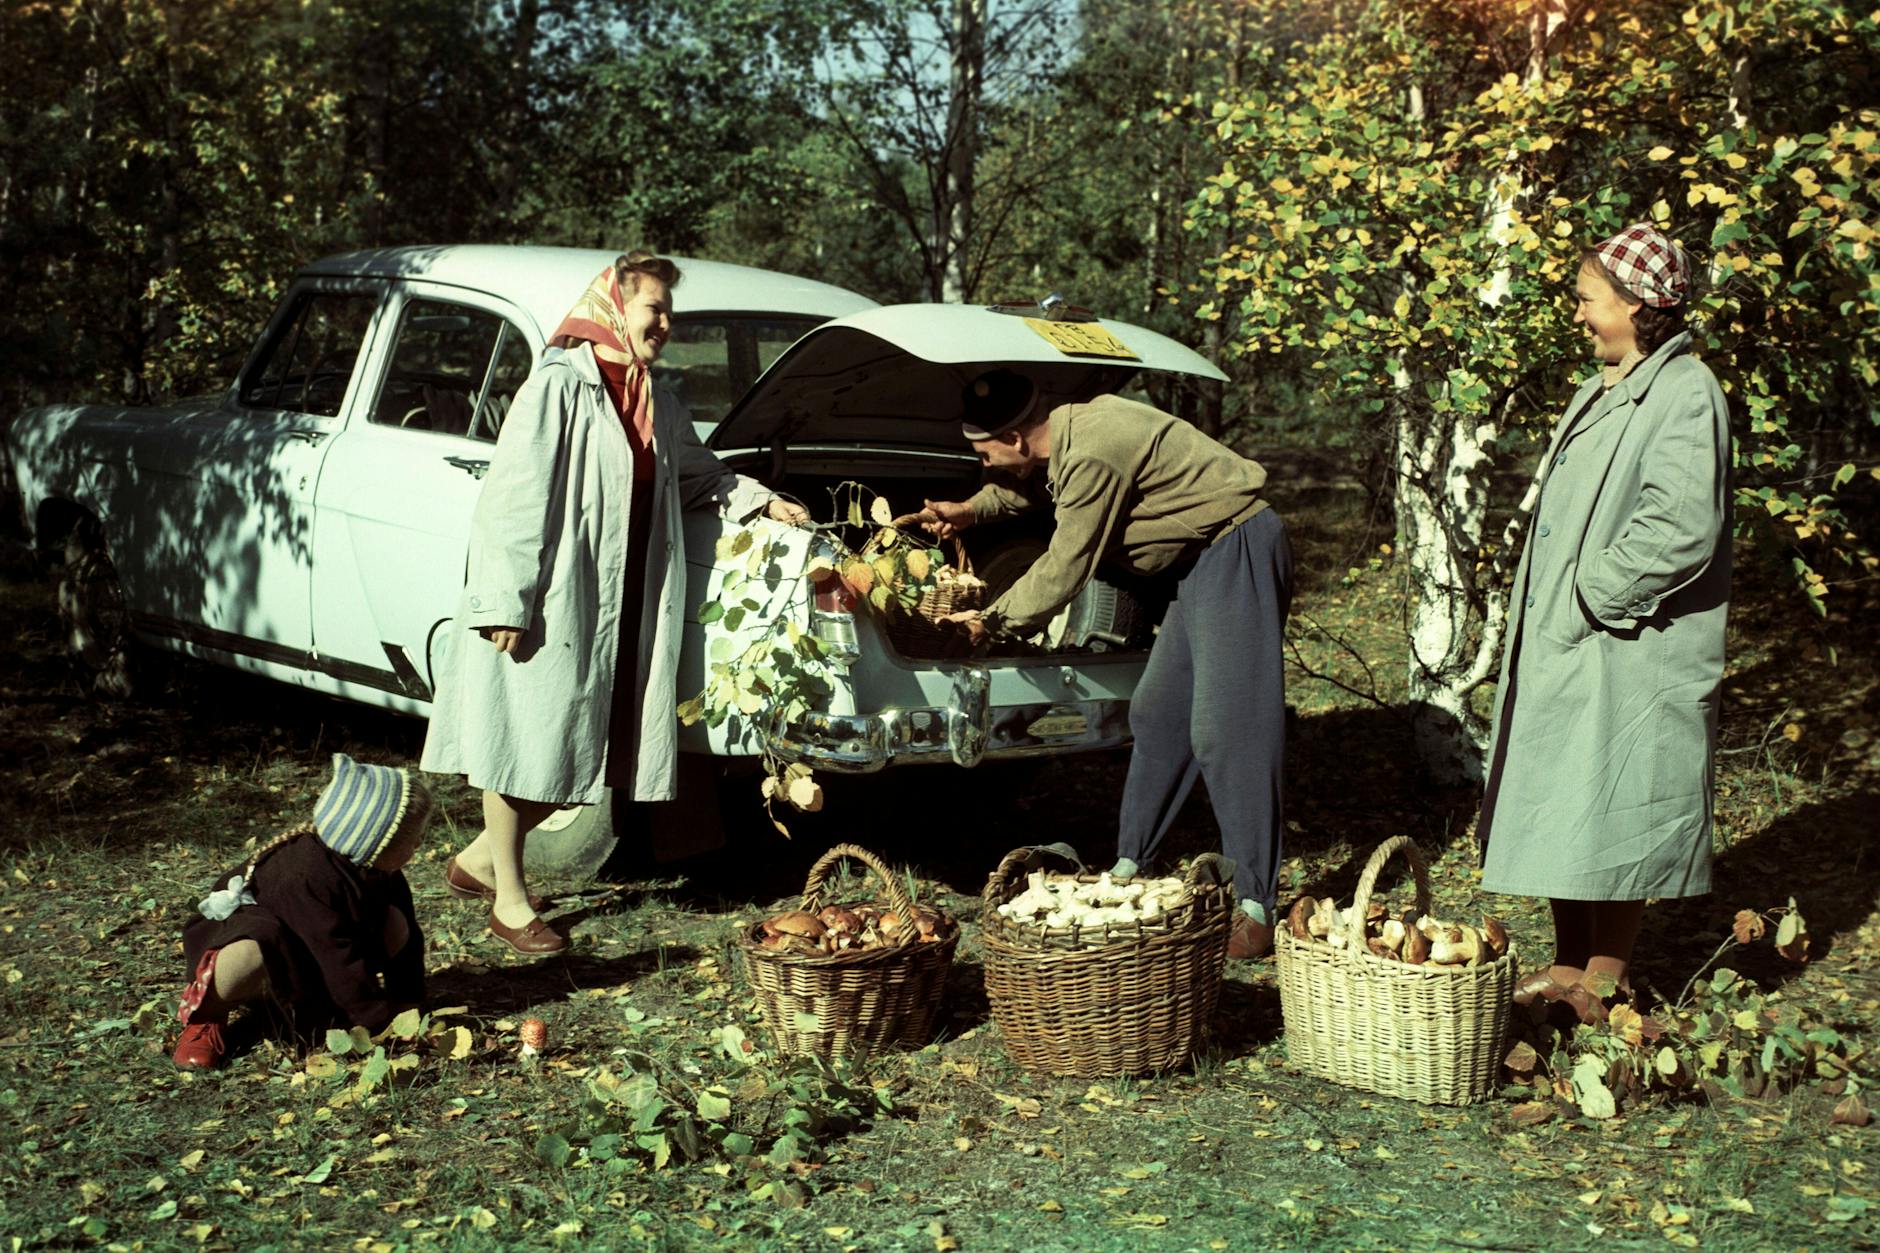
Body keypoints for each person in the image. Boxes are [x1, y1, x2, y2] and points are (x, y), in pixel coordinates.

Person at [420, 251, 807, 955]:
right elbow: (513, 496)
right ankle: (510, 899)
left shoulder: (656, 395)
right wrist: (506, 598)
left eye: (668, 310)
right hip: (556, 594)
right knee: (528, 741)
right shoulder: (559, 385)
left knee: (587, 750)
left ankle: (479, 859)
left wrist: (760, 499)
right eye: (652, 307)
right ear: (612, 304)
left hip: (625, 599)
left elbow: (697, 472)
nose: (664, 321)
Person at [920, 371, 1293, 958]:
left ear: (1016, 438)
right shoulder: (1066, 438)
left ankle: (1255, 904)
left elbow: (1065, 565)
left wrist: (987, 624)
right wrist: (969, 510)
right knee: (1160, 715)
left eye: (983, 449)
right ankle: (1129, 866)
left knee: (1229, 729)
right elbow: (1031, 490)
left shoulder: (1094, 450)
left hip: (1236, 547)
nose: (982, 461)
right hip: (1199, 565)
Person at [1477, 223, 1731, 1023]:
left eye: (1590, 300)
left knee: (1621, 800)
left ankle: (1608, 973)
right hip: (1571, 635)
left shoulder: (1688, 390)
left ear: (1637, 305)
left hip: (1628, 639)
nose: (1579, 314)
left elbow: (1681, 524)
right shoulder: (1607, 383)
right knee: (1563, 789)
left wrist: (1593, 592)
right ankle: (1564, 962)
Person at [172, 754, 432, 1070]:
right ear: (374, 841)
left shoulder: (378, 868)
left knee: (395, 923)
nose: (419, 844)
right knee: (250, 950)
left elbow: (408, 941)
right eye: (412, 840)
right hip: (256, 948)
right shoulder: (304, 877)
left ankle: (311, 1006)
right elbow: (338, 956)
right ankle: (207, 1015)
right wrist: (379, 1025)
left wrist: (409, 1004)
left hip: (305, 951)